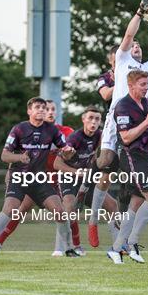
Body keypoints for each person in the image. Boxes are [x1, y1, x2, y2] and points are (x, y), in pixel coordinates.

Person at [88, 0, 148, 248]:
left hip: (139, 121)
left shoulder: (147, 70)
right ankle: (92, 215)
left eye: (138, 47)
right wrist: (139, 13)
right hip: (116, 118)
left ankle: (122, 228)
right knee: (106, 162)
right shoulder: (122, 61)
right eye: (133, 46)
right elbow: (129, 36)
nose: (136, 47)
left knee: (131, 180)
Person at [0, 97, 78, 258]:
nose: (42, 110)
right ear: (29, 111)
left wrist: (69, 152)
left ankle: (69, 249)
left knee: (60, 212)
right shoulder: (19, 129)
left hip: (38, 179)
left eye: (44, 108)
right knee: (10, 210)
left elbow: (65, 150)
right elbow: (4, 155)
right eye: (37, 107)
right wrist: (19, 158)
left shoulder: (51, 130)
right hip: (19, 177)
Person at [107, 70, 148, 264]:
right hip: (131, 156)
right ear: (131, 86)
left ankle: (116, 249)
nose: (146, 87)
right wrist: (147, 122)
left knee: (137, 202)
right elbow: (126, 137)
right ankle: (132, 242)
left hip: (143, 156)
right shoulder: (122, 106)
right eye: (142, 84)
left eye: (147, 84)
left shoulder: (146, 103)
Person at [53, 106, 121, 253]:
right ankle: (62, 248)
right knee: (69, 209)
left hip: (87, 180)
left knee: (112, 205)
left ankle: (119, 245)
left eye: (97, 119)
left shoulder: (101, 137)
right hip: (69, 178)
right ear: (83, 119)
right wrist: (75, 170)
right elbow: (56, 164)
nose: (94, 121)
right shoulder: (75, 138)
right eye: (90, 118)